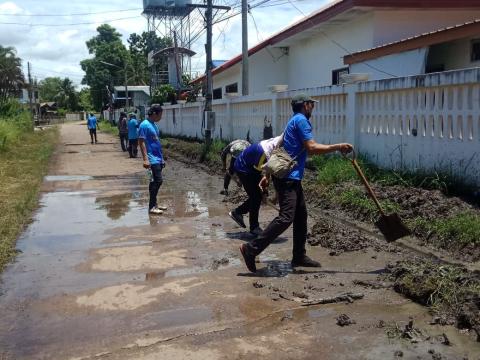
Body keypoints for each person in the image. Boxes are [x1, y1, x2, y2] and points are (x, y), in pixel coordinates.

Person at [239, 94, 353, 273]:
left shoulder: (293, 121)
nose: (313, 108)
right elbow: (312, 148)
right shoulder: (301, 121)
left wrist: (267, 174)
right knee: (286, 217)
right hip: (288, 178)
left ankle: (299, 256)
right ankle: (251, 249)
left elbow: (278, 147)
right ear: (306, 105)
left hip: (290, 176)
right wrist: (338, 147)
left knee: (301, 216)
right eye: (311, 105)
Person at [228, 135, 282, 236]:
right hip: (243, 167)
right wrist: (267, 192)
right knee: (256, 196)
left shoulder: (282, 141)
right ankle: (254, 227)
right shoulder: (264, 155)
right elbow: (264, 175)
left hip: (252, 165)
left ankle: (238, 212)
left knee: (257, 196)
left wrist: (265, 192)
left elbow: (268, 172)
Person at [138, 104, 167, 215]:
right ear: (155, 113)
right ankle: (152, 207)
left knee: (154, 182)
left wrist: (162, 158)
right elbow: (141, 142)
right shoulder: (144, 125)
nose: (161, 117)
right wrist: (145, 159)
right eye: (160, 114)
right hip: (151, 159)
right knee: (157, 181)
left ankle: (155, 204)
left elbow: (156, 143)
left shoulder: (154, 125)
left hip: (157, 158)